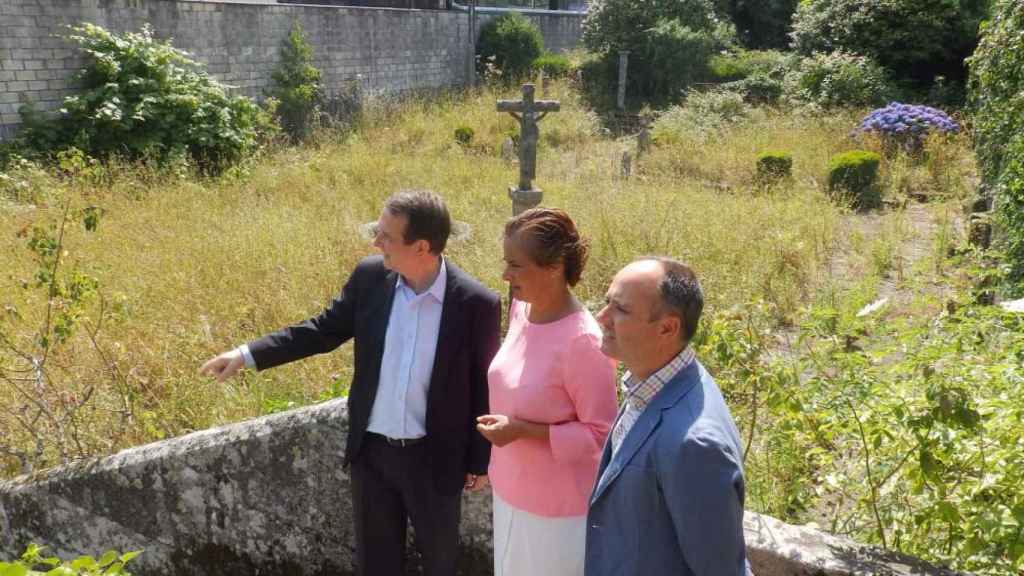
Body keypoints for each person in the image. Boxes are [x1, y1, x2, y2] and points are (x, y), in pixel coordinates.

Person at [199, 190, 501, 576]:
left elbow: (482, 383)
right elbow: (322, 331)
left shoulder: (476, 302)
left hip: (435, 459)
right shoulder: (370, 278)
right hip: (373, 456)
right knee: (376, 565)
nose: (376, 242)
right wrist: (246, 354)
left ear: (421, 246)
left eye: (386, 236)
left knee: (440, 562)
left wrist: (480, 459)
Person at [476, 207, 617, 576]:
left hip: (556, 514)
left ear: (554, 267)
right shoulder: (523, 309)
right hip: (510, 490)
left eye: (516, 265)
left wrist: (523, 430)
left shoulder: (584, 342)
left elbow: (601, 435)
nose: (505, 274)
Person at [585, 257, 749, 576]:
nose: (601, 317)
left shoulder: (694, 444)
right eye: (607, 303)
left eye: (620, 309)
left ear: (667, 327)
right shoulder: (653, 381)